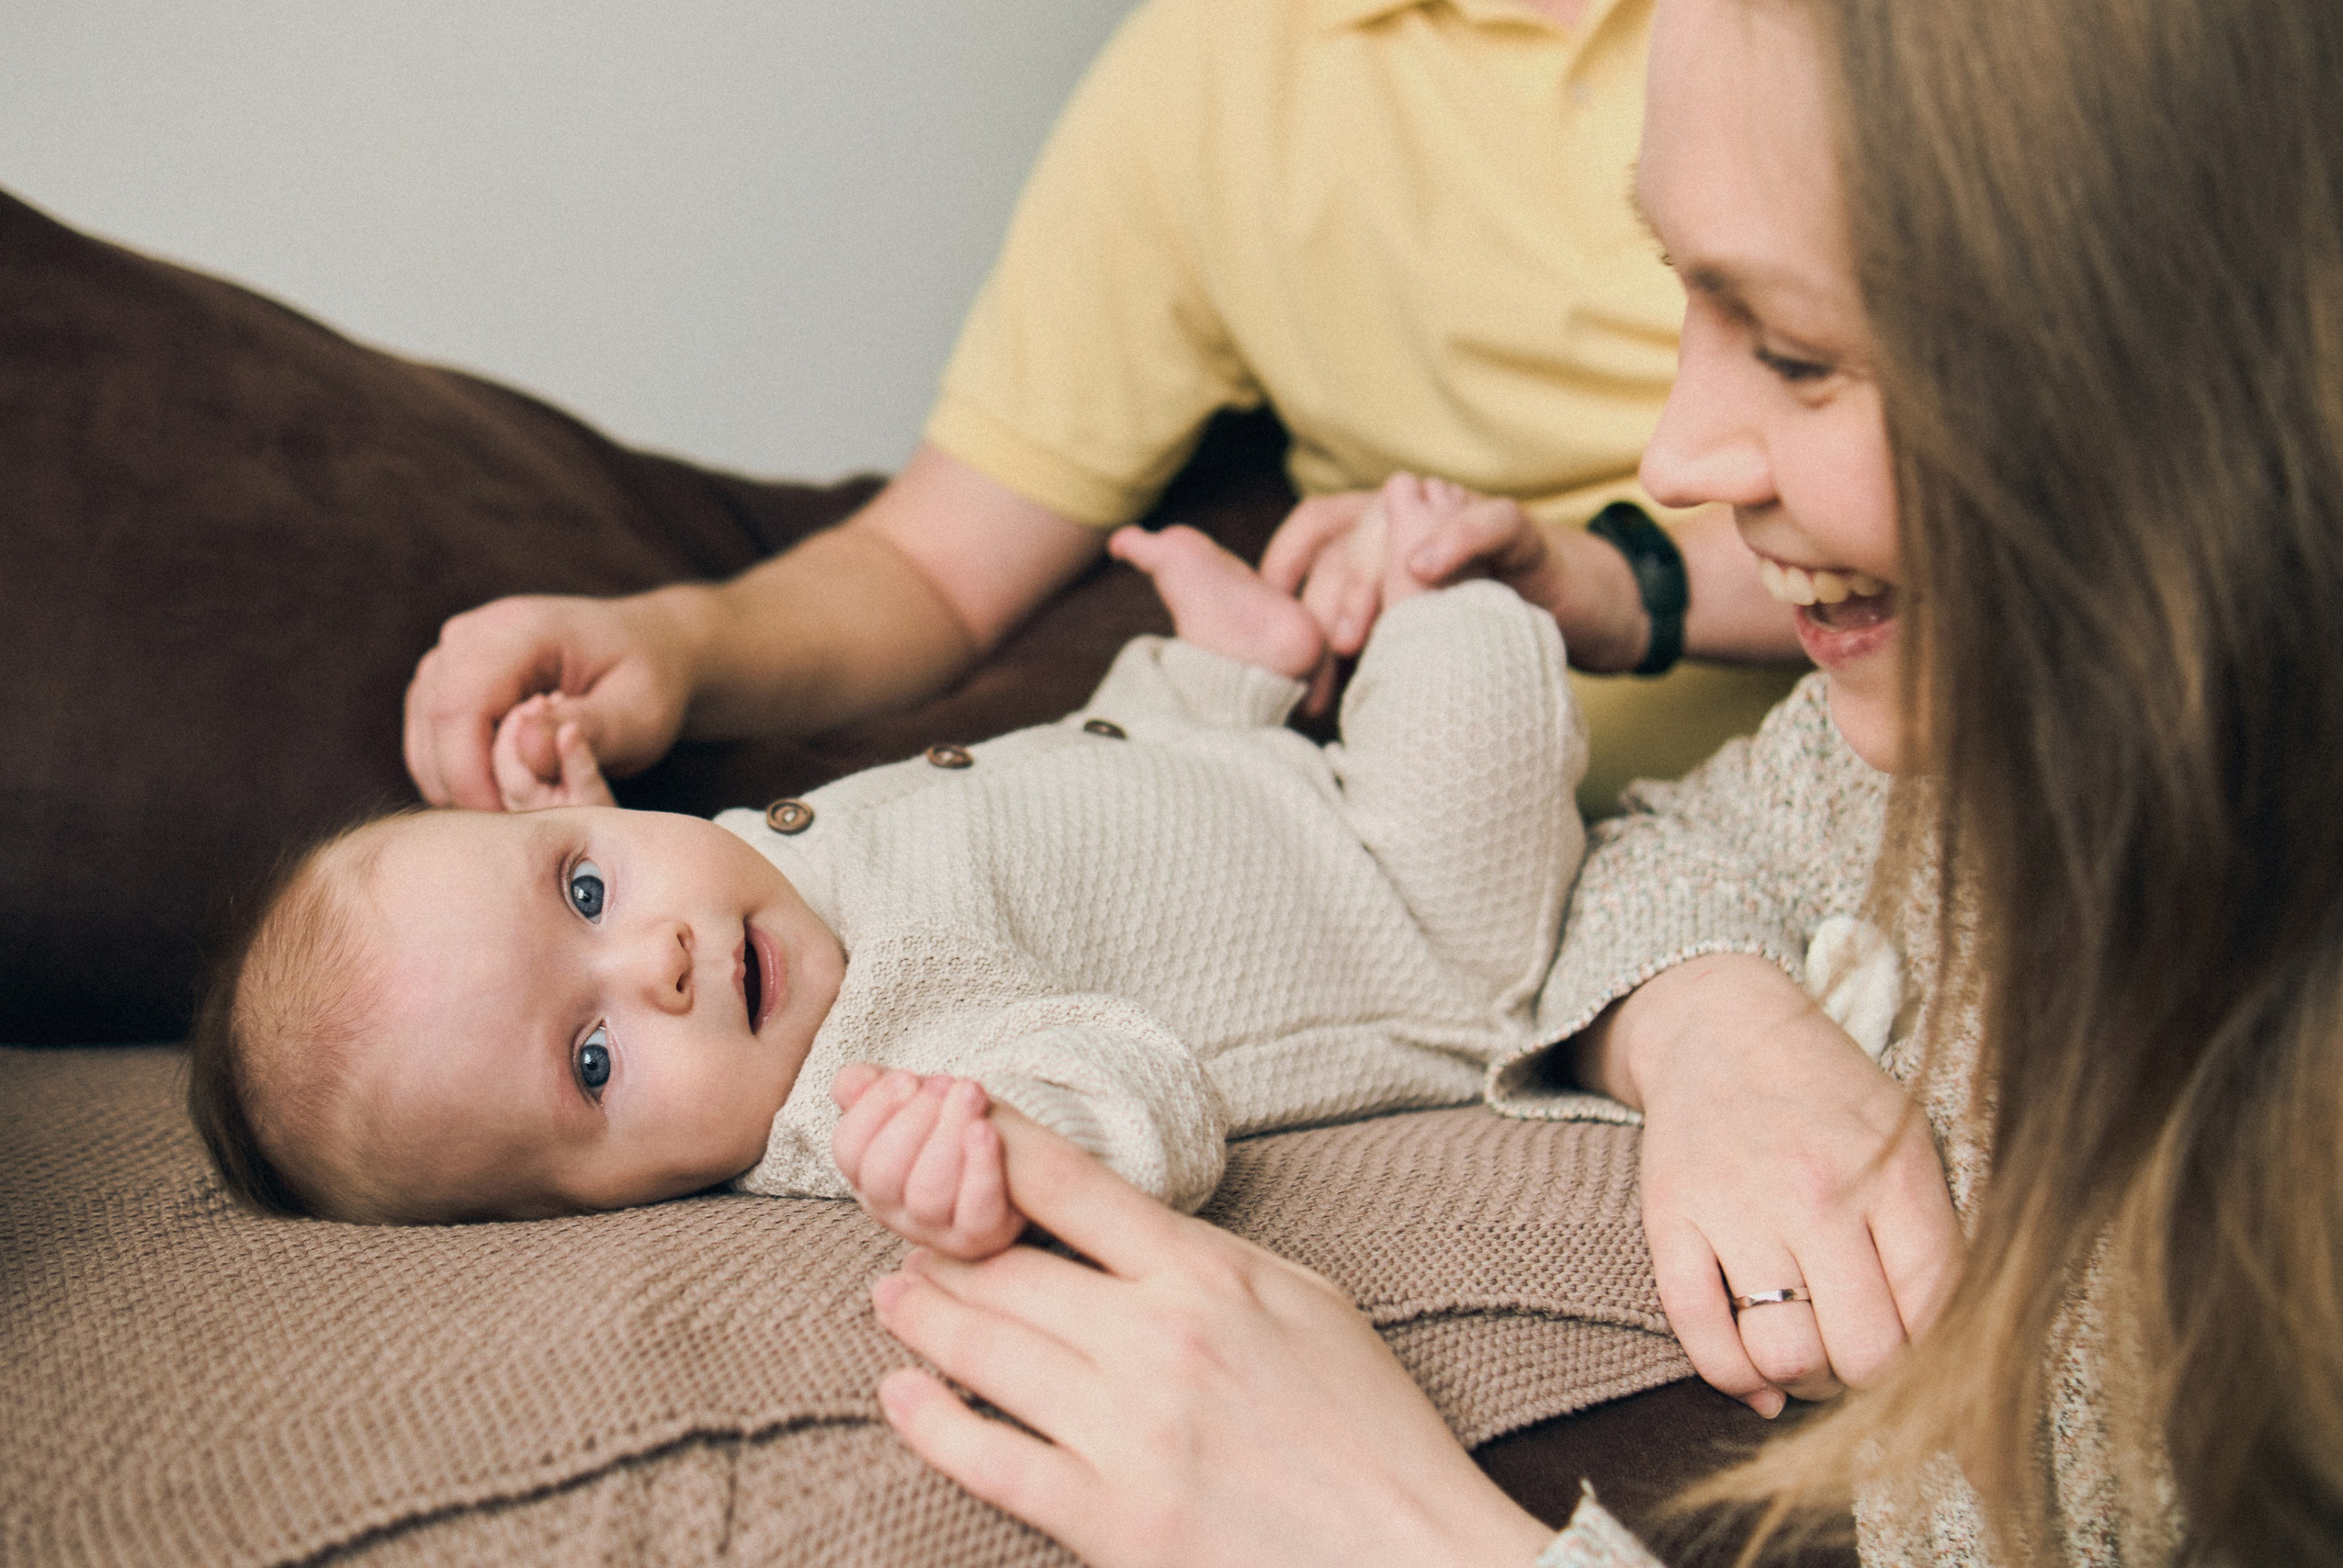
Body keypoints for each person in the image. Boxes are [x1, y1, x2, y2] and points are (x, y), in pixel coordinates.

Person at [843, 0, 2343, 1562]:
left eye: (1795, 351)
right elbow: (1681, 849)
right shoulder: (1962, 760)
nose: (1678, 453)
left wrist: (1401, 1531)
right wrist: (1712, 1030)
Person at [399, 0, 1807, 826]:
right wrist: (670, 646)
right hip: (1522, 843)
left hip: (1927, 730)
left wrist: (1614, 582)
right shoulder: (1208, 70)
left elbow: (1996, 505)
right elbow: (933, 567)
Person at [190, 477, 1589, 1232]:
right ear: (587, 1202)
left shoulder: (721, 895)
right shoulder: (861, 1098)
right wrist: (998, 1157)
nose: (658, 959)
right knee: (1465, 653)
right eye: (593, 1060)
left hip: (1225, 780)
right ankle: (1440, 605)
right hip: (1416, 919)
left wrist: (593, 811)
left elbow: (637, 906)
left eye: (585, 886)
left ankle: (1229, 674)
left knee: (1117, 733)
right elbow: (1147, 1097)